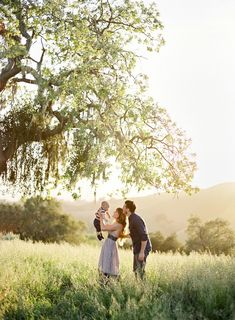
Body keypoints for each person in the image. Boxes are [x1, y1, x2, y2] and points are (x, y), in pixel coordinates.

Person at [123, 200, 151, 279]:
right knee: (136, 270)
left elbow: (144, 236)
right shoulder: (131, 218)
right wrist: (121, 236)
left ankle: (144, 290)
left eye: (124, 207)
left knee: (140, 271)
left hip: (142, 248)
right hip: (137, 247)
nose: (122, 208)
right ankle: (139, 289)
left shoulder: (136, 219)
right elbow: (134, 234)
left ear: (128, 209)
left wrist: (142, 252)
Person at [98, 207, 126, 279]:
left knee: (108, 263)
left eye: (115, 211)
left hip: (110, 245)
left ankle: (107, 282)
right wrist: (103, 216)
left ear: (119, 214)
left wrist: (101, 217)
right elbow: (105, 225)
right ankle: (104, 281)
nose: (113, 212)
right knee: (106, 263)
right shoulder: (115, 223)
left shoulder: (118, 225)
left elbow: (103, 228)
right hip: (108, 243)